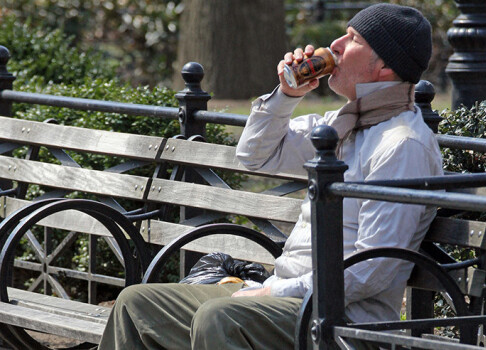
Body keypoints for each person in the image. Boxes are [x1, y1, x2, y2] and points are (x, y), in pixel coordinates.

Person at [98, 3, 443, 349]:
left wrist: (272, 291)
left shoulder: (402, 145)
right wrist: (287, 95)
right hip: (285, 296)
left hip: (342, 321)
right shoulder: (341, 124)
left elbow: (373, 270)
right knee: (135, 305)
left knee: (219, 318)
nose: (335, 44)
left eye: (353, 39)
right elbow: (253, 156)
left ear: (384, 66)